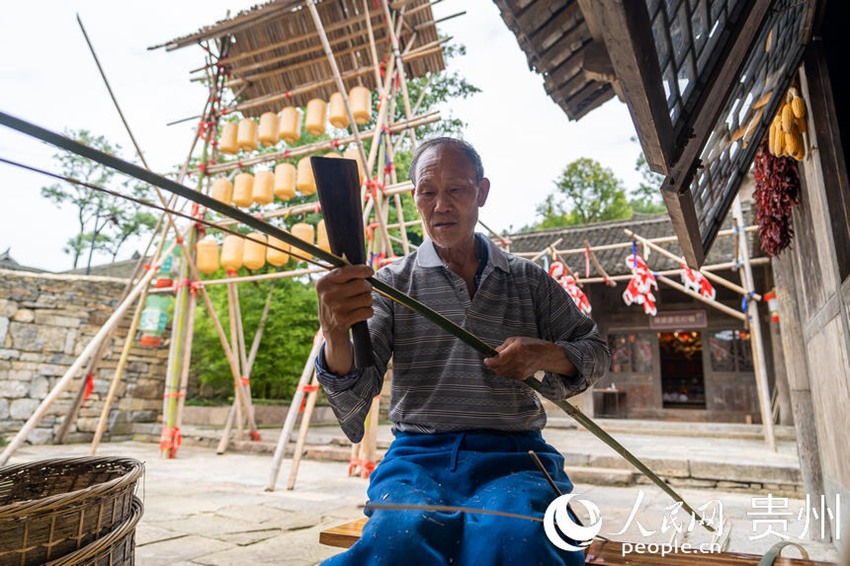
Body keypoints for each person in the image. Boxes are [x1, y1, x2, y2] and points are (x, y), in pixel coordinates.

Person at [315, 137, 611, 565]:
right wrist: (335, 332)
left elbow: (595, 349)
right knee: (400, 534)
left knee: (513, 536)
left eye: (456, 189)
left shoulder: (528, 280)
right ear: (415, 198)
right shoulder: (391, 283)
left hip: (514, 455)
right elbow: (354, 392)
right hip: (418, 457)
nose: (441, 205)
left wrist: (546, 355)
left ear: (481, 192)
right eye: (427, 192)